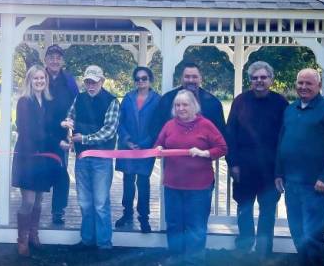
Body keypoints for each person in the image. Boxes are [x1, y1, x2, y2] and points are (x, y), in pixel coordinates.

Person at [276, 69, 324, 266]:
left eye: (309, 83)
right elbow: (282, 142)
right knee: (297, 229)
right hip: (292, 182)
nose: (303, 87)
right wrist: (278, 173)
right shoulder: (291, 109)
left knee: (313, 233)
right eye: (300, 83)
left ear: (319, 86)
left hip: (316, 184)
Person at [154, 90, 227, 265]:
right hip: (173, 185)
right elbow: (158, 144)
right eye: (177, 105)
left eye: (185, 104)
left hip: (199, 187)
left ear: (194, 106)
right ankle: (176, 257)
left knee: (196, 226)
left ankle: (194, 260)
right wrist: (158, 150)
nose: (181, 108)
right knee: (174, 224)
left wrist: (204, 153)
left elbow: (222, 147)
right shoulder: (169, 125)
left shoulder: (206, 125)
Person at [226, 61, 289, 258]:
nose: (259, 81)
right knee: (244, 209)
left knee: (268, 211)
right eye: (255, 78)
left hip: (270, 170)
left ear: (271, 79)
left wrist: (281, 170)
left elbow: (285, 137)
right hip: (243, 168)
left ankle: (264, 251)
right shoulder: (240, 101)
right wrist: (233, 163)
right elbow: (230, 134)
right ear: (250, 80)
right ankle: (244, 247)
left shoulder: (281, 103)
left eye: (263, 77)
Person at [62, 65, 119, 250]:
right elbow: (70, 118)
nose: (90, 85)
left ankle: (104, 244)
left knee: (101, 204)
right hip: (82, 159)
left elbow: (109, 132)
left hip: (102, 160)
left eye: (94, 82)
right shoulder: (79, 98)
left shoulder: (111, 101)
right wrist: (68, 125)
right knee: (85, 203)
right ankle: (87, 240)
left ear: (102, 81)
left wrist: (84, 137)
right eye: (87, 81)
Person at [11, 65, 63, 256]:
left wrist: (63, 128)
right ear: (29, 81)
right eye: (36, 78)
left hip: (44, 158)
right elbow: (30, 131)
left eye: (42, 78)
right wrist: (57, 141)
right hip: (28, 157)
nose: (40, 81)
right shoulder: (24, 102)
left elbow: (52, 127)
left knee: (39, 200)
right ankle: (22, 240)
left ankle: (34, 235)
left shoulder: (48, 101)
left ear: (46, 81)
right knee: (28, 201)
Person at [114, 66, 161, 233]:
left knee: (143, 182)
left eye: (144, 78)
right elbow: (120, 121)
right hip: (128, 146)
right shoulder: (127, 98)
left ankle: (144, 218)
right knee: (127, 181)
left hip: (146, 147)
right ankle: (127, 213)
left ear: (150, 80)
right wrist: (127, 140)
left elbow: (158, 124)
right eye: (138, 79)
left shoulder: (157, 99)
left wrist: (145, 142)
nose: (141, 81)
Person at [44, 44, 78, 225]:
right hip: (41, 133)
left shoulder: (69, 80)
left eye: (58, 57)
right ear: (46, 60)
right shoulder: (40, 77)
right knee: (40, 171)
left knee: (61, 172)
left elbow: (77, 104)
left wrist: (72, 132)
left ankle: (58, 210)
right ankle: (36, 208)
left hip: (62, 136)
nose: (55, 60)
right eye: (51, 57)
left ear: (62, 60)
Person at [152, 62, 226, 142]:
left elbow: (220, 132)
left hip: (202, 152)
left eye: (194, 77)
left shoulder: (213, 102)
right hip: (173, 151)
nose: (191, 80)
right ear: (181, 78)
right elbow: (157, 127)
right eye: (187, 77)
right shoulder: (167, 99)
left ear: (200, 78)